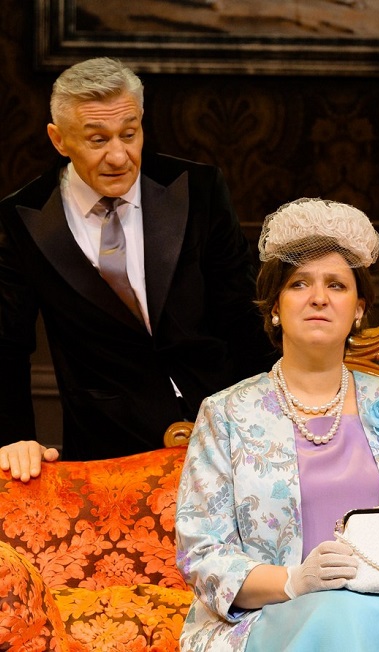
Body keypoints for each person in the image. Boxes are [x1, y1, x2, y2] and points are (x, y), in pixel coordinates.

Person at [175, 197, 379, 651]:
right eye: (299, 283)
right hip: (272, 614)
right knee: (340, 615)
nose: (319, 297)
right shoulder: (226, 413)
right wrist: (293, 579)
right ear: (274, 307)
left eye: (336, 285)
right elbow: (201, 553)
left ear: (359, 308)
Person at [0, 57, 273, 478]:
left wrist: (272, 420)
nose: (118, 156)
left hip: (225, 435)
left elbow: (242, 315)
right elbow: (6, 345)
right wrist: (14, 438)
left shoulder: (198, 188)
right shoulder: (22, 219)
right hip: (107, 452)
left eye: (129, 134)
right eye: (97, 139)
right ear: (59, 140)